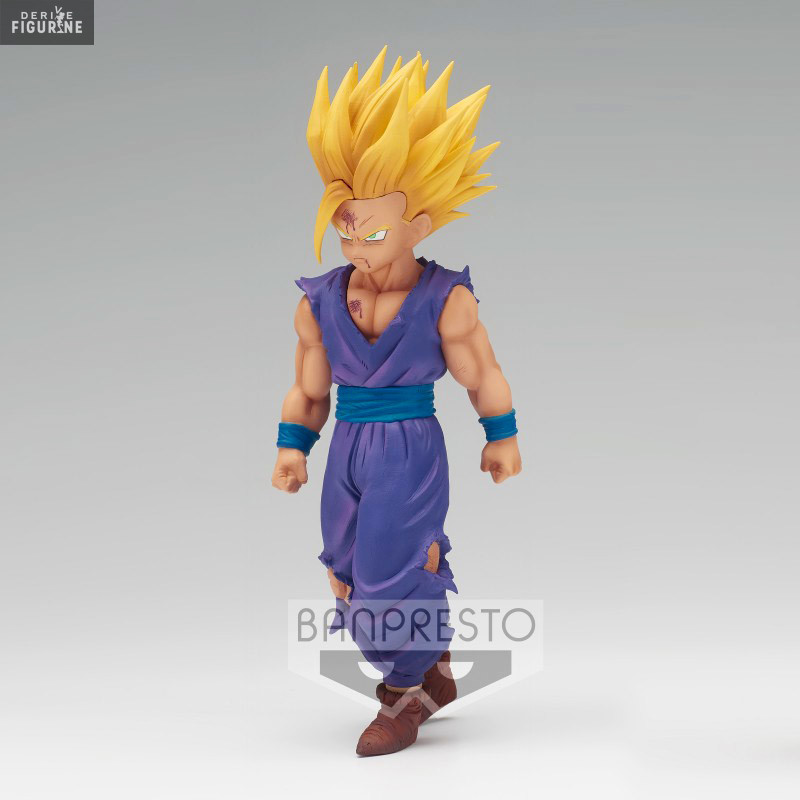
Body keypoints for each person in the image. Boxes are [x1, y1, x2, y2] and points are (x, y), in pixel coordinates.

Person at [271, 47, 521, 756]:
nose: (355, 243)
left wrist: (501, 434)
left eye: (373, 230)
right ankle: (432, 665)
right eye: (345, 227)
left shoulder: (446, 298)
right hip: (348, 444)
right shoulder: (321, 299)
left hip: (410, 446)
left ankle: (406, 690)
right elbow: (310, 385)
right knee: (344, 571)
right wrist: (292, 446)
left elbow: (480, 370)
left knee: (391, 573)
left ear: (422, 224)